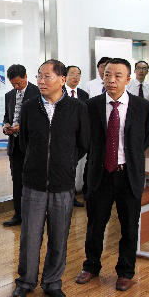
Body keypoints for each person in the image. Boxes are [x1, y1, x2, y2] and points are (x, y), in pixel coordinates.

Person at [11, 60, 90, 297]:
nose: (41, 81)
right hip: (33, 183)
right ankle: (25, 282)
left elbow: (83, 143)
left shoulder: (78, 108)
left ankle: (53, 283)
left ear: (62, 79)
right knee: (29, 237)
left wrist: (65, 162)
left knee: (59, 237)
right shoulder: (29, 107)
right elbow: (24, 142)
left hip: (62, 184)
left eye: (47, 76)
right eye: (39, 76)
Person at [76, 58, 149, 292]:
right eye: (107, 74)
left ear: (128, 80)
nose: (111, 80)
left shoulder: (144, 107)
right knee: (95, 225)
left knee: (129, 227)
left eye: (118, 76)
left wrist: (127, 158)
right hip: (100, 174)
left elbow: (146, 138)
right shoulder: (91, 105)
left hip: (128, 175)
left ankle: (125, 272)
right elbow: (85, 138)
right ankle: (91, 266)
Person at [2, 64, 40, 226]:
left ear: (26, 77)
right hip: (15, 146)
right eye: (13, 84)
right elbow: (7, 116)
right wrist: (6, 126)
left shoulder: (38, 93)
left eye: (18, 83)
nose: (16, 87)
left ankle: (35, 215)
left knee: (33, 183)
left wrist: (22, 128)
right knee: (17, 182)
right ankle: (18, 214)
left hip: (32, 147)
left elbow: (41, 121)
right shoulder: (9, 95)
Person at [65, 65, 89, 207]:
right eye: (72, 74)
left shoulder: (84, 95)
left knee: (73, 167)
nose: (75, 77)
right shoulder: (60, 93)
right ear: (65, 77)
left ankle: (72, 196)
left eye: (78, 74)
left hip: (78, 137)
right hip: (64, 137)